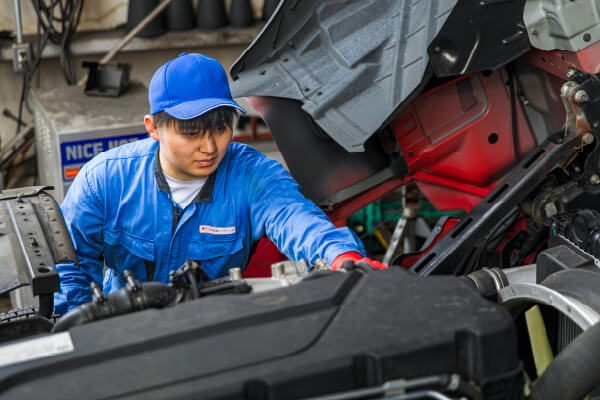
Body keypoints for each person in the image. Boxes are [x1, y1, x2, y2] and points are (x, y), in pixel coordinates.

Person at [54, 53, 386, 313]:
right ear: (153, 127)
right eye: (191, 132)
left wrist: (341, 256)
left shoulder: (253, 176)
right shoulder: (105, 181)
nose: (210, 147)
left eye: (220, 128)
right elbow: (71, 270)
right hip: (126, 330)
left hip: (214, 331)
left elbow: (297, 220)